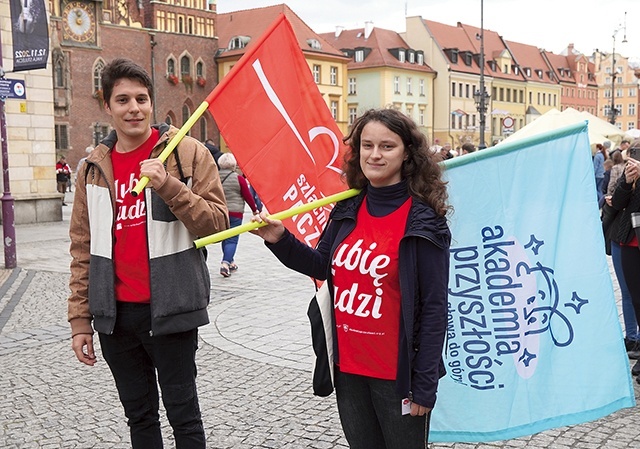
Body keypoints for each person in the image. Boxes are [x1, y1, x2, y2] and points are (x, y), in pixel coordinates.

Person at [251, 108, 451, 448]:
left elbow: (434, 307)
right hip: (348, 368)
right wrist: (280, 239)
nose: (375, 155)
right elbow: (320, 266)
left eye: (387, 146)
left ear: (407, 154)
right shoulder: (347, 209)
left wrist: (425, 383)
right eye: (367, 145)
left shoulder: (423, 220)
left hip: (397, 376)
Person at [67, 58, 229, 448]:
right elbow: (82, 248)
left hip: (171, 309)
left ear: (152, 103)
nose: (133, 108)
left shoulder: (185, 153)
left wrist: (169, 186)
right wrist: (79, 321)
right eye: (122, 100)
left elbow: (217, 224)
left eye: (141, 98)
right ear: (107, 106)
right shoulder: (93, 167)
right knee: (139, 417)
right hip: (117, 316)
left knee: (183, 414)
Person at [611, 139, 640, 382]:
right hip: (629, 241)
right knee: (635, 297)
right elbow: (618, 203)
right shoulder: (628, 174)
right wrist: (628, 182)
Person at [218, 152, 260, 277]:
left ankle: (231, 262)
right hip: (235, 213)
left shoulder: (214, 177)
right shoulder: (238, 178)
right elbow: (248, 196)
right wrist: (254, 210)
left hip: (220, 212)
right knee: (232, 239)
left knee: (225, 237)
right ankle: (225, 264)